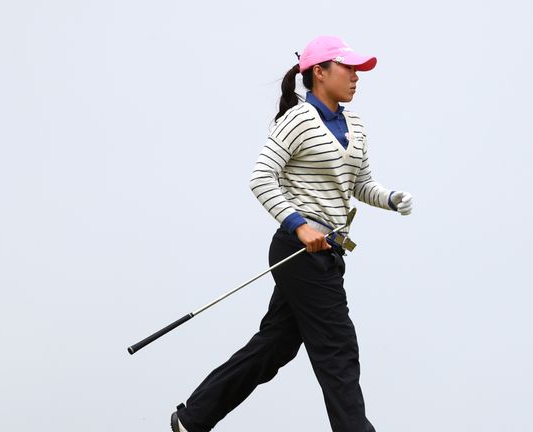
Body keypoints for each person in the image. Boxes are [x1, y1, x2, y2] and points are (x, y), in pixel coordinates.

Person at [170, 35, 413, 432]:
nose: (356, 77)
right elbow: (260, 178)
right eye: (347, 68)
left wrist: (390, 198)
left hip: (328, 253)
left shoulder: (356, 125)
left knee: (276, 346)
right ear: (319, 72)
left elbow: (359, 184)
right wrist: (298, 227)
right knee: (337, 348)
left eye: (357, 70)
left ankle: (192, 419)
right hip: (298, 251)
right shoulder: (296, 120)